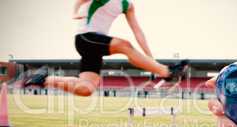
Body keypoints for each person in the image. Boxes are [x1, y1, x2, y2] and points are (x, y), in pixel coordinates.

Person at [24, 0, 189, 96]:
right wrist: (75, 12)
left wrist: (151, 60)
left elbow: (137, 31)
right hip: (86, 37)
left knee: (86, 89)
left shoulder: (127, 4)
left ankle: (43, 79)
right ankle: (168, 72)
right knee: (125, 45)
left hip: (96, 45)